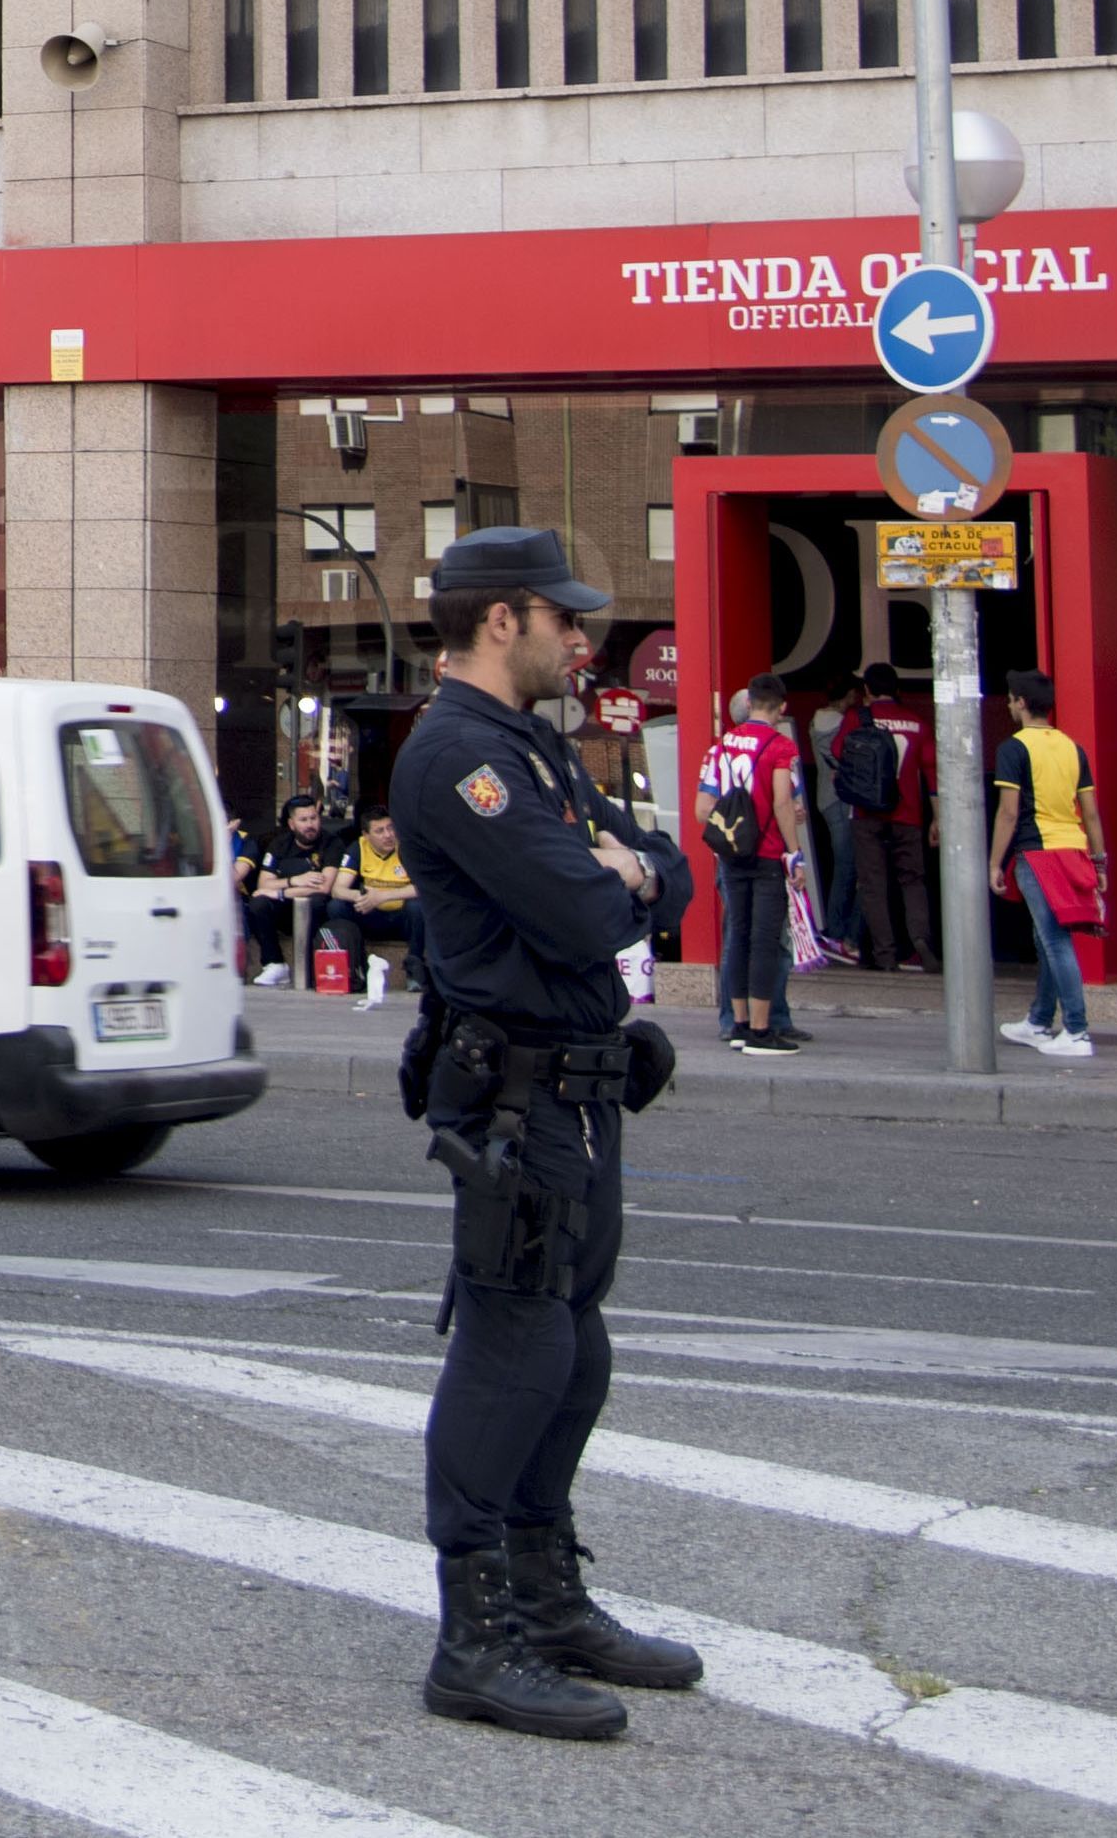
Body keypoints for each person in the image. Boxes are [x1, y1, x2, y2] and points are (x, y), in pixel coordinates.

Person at [392, 526, 697, 1741]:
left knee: (574, 1348)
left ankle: (545, 1592)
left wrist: (630, 865)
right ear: (502, 618)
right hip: (513, 1100)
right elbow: (583, 906)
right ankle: (474, 1638)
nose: (585, 639)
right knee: (513, 1349)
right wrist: (618, 871)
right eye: (565, 618)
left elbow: (672, 866)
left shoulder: (534, 752)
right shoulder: (459, 758)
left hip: (580, 1088)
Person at [992, 668, 1103, 1059]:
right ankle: (1039, 1020)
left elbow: (1008, 813)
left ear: (1021, 703)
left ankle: (1076, 1030)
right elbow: (1090, 813)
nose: (1008, 703)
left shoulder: (1014, 748)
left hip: (1038, 853)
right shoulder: (1073, 747)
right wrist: (1100, 862)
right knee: (1048, 939)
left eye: (1009, 698)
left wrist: (993, 863)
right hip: (1073, 850)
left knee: (1055, 941)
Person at [696, 677, 805, 1051]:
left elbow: (701, 809)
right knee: (764, 942)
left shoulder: (720, 745)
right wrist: (794, 852)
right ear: (782, 707)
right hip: (768, 854)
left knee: (737, 938)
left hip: (731, 856)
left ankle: (739, 1024)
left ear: (750, 702)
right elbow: (781, 803)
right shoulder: (780, 746)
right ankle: (761, 1031)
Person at [840, 664, 938, 974]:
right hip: (908, 814)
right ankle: (920, 940)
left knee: (873, 884)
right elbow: (932, 772)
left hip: (866, 813)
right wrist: (937, 818)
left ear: (867, 690)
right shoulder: (917, 723)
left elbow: (837, 751)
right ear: (897, 688)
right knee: (913, 881)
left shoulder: (857, 718)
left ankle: (884, 954)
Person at [242, 791, 362, 985]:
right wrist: (294, 881)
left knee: (315, 902)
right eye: (303, 820)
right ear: (292, 824)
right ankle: (274, 964)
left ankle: (312, 966)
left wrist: (280, 891)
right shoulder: (279, 844)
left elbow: (323, 887)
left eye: (313, 818)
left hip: (315, 909)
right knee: (258, 904)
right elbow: (263, 884)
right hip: (284, 909)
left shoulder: (332, 843)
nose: (310, 825)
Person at [803, 687, 864, 963]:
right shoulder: (844, 722)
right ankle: (838, 932)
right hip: (841, 798)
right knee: (847, 866)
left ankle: (836, 930)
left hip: (824, 797)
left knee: (843, 865)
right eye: (854, 695)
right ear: (847, 694)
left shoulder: (816, 720)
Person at [350, 807, 422, 995]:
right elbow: (337, 889)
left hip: (403, 918)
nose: (388, 835)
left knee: (418, 906)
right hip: (373, 915)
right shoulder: (359, 847)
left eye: (391, 828)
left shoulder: (406, 847)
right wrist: (365, 897)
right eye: (380, 831)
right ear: (366, 835)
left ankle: (414, 972)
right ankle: (357, 968)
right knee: (337, 907)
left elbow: (423, 887)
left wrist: (382, 895)